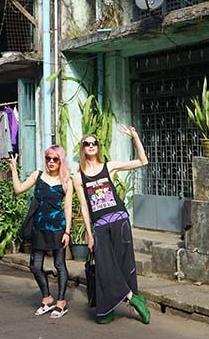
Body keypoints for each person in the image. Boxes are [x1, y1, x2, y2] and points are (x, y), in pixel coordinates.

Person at [72, 124, 151, 325]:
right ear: (82, 148)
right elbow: (83, 206)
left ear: (98, 147)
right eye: (86, 143)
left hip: (119, 221)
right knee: (105, 268)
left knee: (123, 265)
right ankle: (131, 299)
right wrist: (89, 235)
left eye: (94, 143)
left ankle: (119, 303)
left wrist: (134, 136)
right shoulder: (78, 176)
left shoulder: (109, 166)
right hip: (99, 226)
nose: (91, 145)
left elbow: (143, 161)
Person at [10, 145, 74, 319]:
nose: (51, 162)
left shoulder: (67, 181)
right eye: (48, 158)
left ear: (61, 160)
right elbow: (18, 189)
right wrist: (14, 169)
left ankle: (61, 302)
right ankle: (47, 297)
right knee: (35, 266)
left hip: (57, 229)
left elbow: (68, 207)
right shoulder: (38, 176)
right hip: (39, 229)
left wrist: (67, 232)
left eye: (55, 159)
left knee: (59, 265)